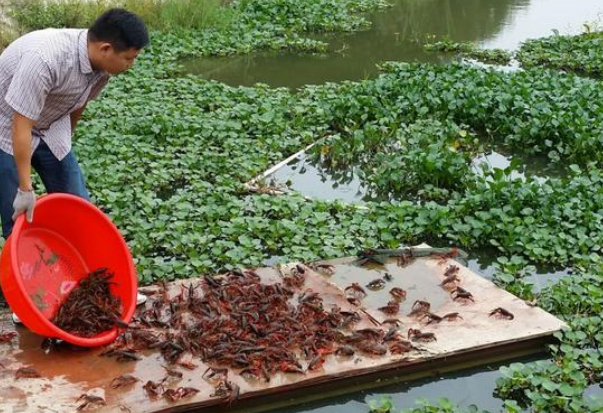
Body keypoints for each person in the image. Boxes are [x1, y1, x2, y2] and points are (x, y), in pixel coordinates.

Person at [0, 9, 150, 322]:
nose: (131, 66)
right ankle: (27, 300)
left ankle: (100, 289)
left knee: (79, 207)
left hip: (49, 124)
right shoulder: (45, 59)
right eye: (130, 59)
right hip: (7, 126)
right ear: (106, 49)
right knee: (17, 218)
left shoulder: (102, 68)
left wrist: (64, 147)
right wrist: (25, 188)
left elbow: (75, 106)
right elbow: (20, 125)